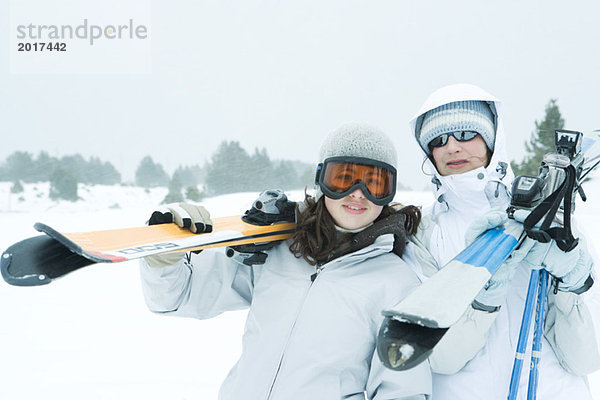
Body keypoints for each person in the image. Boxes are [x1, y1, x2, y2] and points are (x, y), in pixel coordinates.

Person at [139, 123, 432, 400]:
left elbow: (404, 390)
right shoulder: (279, 251)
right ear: (322, 180)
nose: (358, 193)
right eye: (343, 178)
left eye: (374, 183)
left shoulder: (396, 283)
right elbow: (177, 297)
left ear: (389, 192)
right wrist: (165, 260)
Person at [406, 83, 600, 399]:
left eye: (467, 134)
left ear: (493, 139)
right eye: (439, 140)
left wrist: (569, 286)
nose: (453, 147)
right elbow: (440, 360)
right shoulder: (426, 234)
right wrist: (484, 298)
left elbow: (584, 359)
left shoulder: (552, 218)